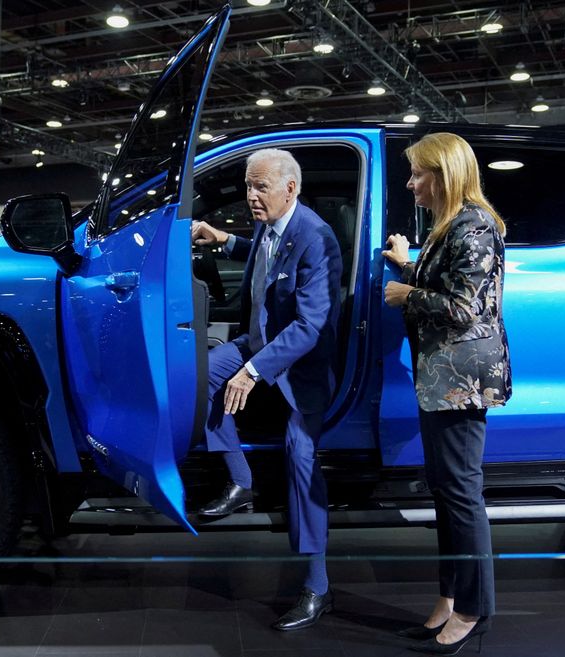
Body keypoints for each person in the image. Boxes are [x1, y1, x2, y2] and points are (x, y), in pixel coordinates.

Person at [191, 148, 343, 631]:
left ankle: (317, 587)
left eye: (260, 187)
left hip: (303, 368)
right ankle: (241, 481)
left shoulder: (316, 237)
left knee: (300, 457)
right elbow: (261, 252)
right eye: (248, 185)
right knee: (204, 376)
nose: (250, 195)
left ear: (290, 189)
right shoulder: (270, 223)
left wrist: (253, 370)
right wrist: (223, 238)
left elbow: (310, 325)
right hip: (258, 341)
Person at [381, 132, 511, 654]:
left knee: (461, 496)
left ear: (444, 174)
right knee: (448, 493)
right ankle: (450, 598)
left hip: (461, 381)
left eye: (418, 174)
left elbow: (467, 308)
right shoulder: (452, 227)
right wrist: (407, 263)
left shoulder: (475, 227)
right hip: (443, 380)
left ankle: (475, 609)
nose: (411, 183)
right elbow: (453, 285)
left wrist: (407, 292)